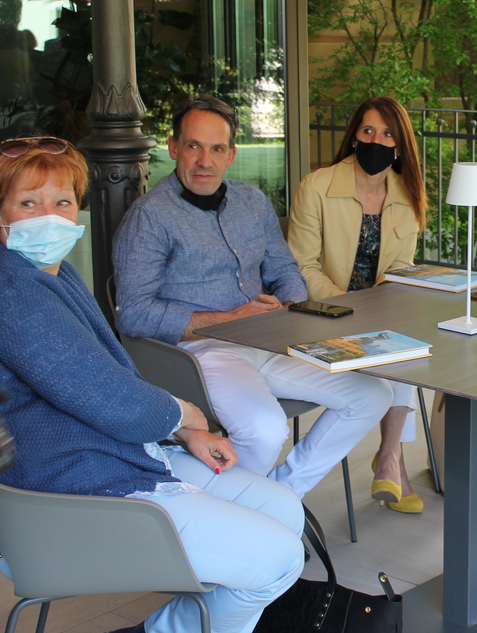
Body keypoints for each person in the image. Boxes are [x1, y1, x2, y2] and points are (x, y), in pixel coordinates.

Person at [0, 137, 305, 633]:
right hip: (57, 498)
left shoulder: (46, 276)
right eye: (28, 203)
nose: (49, 217)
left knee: (284, 510)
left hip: (87, 463)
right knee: (280, 558)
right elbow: (111, 400)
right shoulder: (9, 294)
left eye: (62, 202)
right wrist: (184, 415)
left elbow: (103, 379)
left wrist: (181, 431)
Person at [112, 96, 392, 497]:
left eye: (217, 149)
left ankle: (278, 498)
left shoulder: (252, 201)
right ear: (174, 148)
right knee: (265, 431)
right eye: (193, 146)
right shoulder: (149, 216)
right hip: (200, 352)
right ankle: (243, 510)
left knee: (372, 394)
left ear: (231, 155)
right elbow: (133, 314)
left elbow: (286, 270)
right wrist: (228, 319)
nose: (204, 161)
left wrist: (289, 307)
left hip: (267, 338)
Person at [286, 96, 429, 513]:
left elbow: (401, 269)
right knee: (396, 345)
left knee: (407, 342)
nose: (376, 141)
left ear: (400, 145)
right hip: (322, 315)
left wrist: (384, 307)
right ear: (353, 137)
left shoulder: (407, 195)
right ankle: (393, 463)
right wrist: (348, 306)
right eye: (368, 131)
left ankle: (389, 457)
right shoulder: (317, 186)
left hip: (377, 316)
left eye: (387, 134)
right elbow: (303, 266)